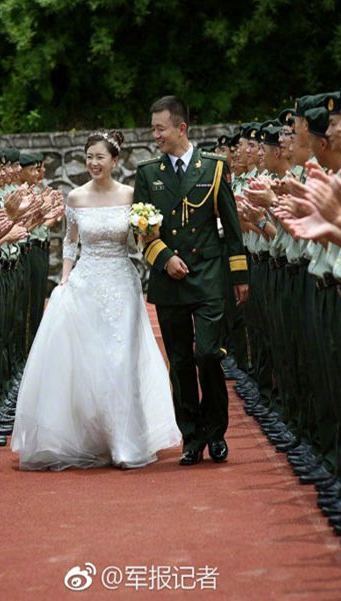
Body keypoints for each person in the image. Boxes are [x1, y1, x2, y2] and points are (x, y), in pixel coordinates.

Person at [10, 129, 181, 470]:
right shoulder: (75, 198)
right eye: (89, 157)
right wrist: (65, 280)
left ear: (115, 161)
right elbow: (70, 243)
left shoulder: (132, 196)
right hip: (87, 283)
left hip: (122, 282)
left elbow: (137, 244)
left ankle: (125, 441)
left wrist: (148, 233)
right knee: (91, 361)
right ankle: (93, 435)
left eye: (100, 157)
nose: (93, 163)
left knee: (122, 359)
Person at [134, 96, 249, 465]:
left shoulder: (214, 168)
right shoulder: (149, 173)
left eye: (160, 129)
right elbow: (142, 233)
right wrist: (165, 259)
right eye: (153, 129)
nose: (155, 136)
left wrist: (239, 276)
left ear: (180, 128)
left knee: (208, 355)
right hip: (170, 281)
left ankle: (216, 432)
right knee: (181, 361)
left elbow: (232, 229)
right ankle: (192, 435)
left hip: (209, 276)